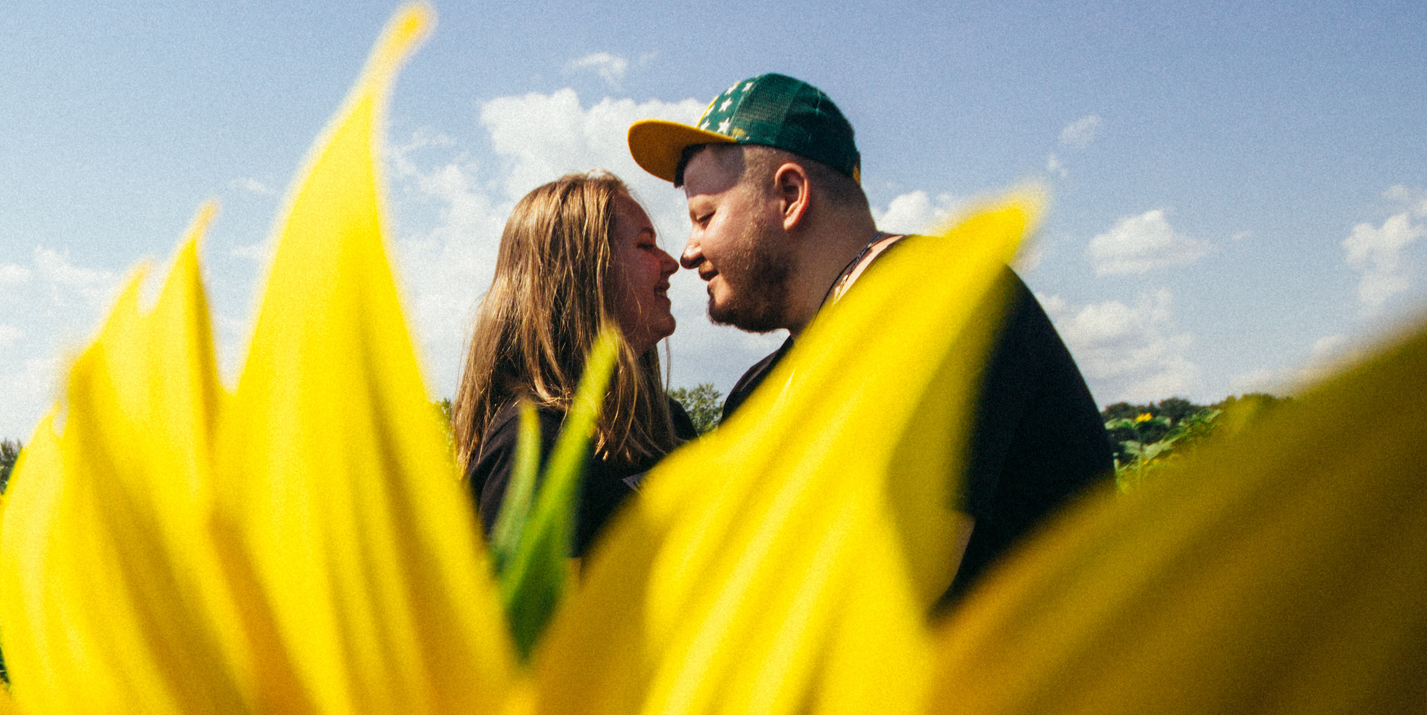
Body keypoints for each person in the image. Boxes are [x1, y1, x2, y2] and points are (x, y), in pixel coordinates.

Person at [628, 74, 1113, 605]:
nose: (689, 251)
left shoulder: (942, 299)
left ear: (789, 196)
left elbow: (893, 584)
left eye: (704, 217)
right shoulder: (756, 391)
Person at [452, 171, 697, 558]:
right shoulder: (529, 453)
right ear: (584, 275)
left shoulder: (667, 422)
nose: (671, 263)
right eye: (646, 245)